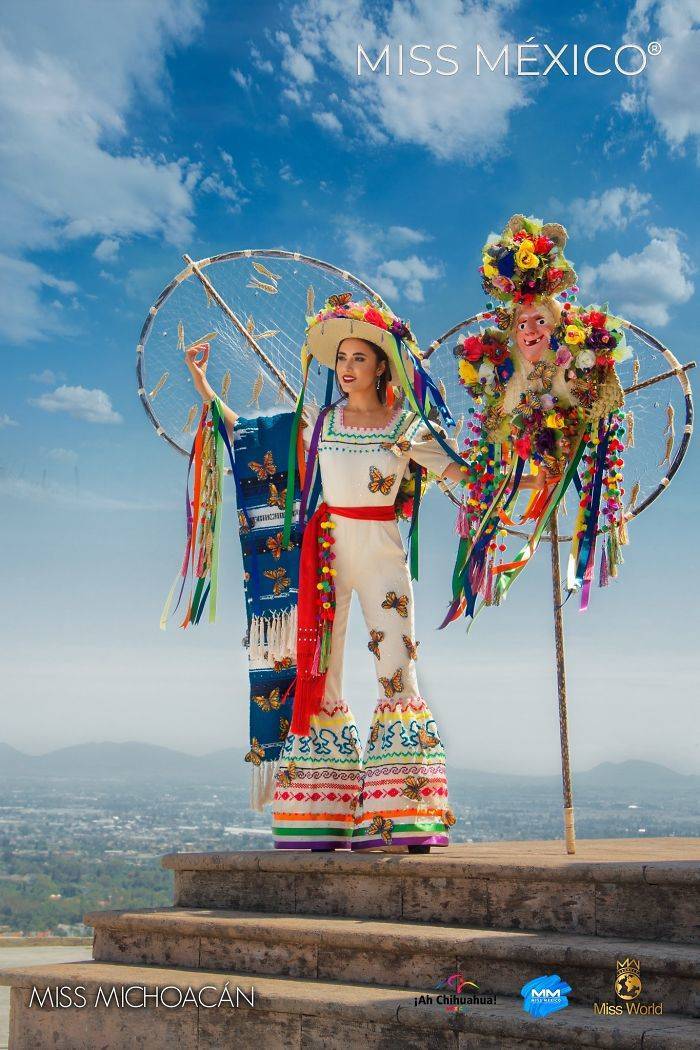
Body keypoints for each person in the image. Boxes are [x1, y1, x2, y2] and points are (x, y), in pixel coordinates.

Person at [185, 298, 462, 852]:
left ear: (382, 365)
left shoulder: (405, 424)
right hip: (327, 554)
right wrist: (203, 384)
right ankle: (321, 818)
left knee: (398, 669)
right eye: (341, 358)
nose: (347, 368)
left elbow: (458, 471)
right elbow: (249, 437)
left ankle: (404, 818)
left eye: (359, 357)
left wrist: (522, 484)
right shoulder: (320, 422)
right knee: (321, 673)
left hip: (383, 550)